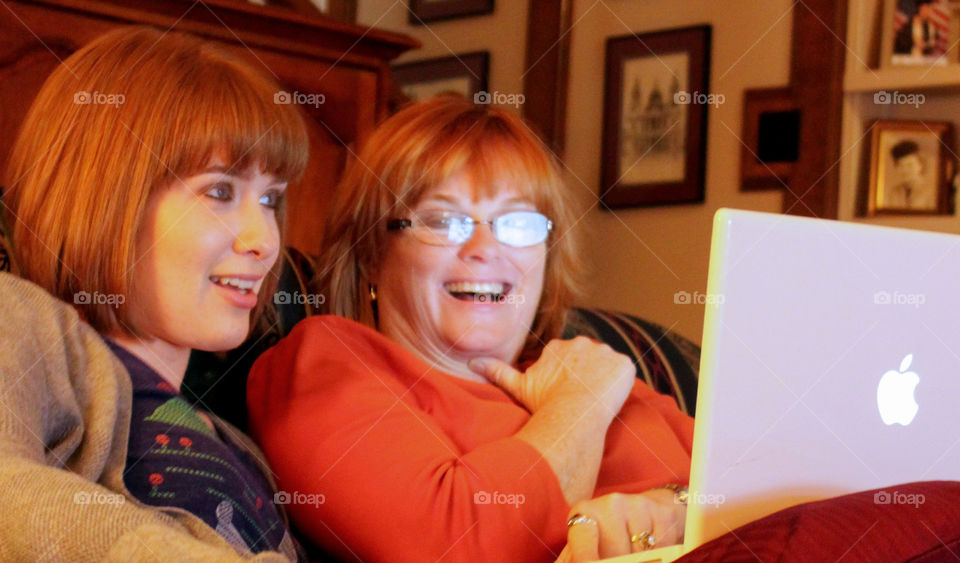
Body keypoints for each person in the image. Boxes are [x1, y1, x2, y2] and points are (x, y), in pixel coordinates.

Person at [246, 96, 694, 562]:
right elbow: (459, 545)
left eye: (517, 223)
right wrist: (581, 407)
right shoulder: (326, 364)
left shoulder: (579, 367)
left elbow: (756, 488)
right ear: (373, 254)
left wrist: (677, 511)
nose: (485, 247)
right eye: (444, 221)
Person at [1, 26, 309, 560]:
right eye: (220, 191)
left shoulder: (234, 442)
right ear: (107, 198)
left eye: (270, 200)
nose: (265, 242)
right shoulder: (23, 320)